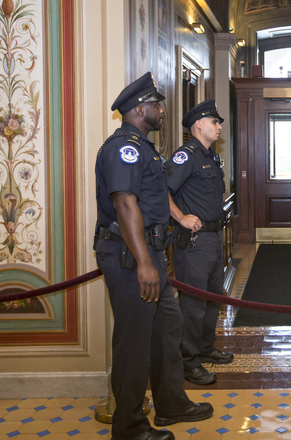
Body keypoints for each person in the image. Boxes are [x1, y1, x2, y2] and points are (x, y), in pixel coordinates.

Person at [94, 72, 214, 440]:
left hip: (150, 254)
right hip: (131, 257)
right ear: (139, 108)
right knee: (133, 344)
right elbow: (125, 203)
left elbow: (157, 195)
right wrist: (145, 262)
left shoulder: (144, 148)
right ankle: (129, 427)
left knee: (167, 330)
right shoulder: (123, 148)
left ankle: (171, 403)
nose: (162, 111)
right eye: (157, 105)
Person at [168, 99, 234, 385]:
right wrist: (181, 217)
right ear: (198, 125)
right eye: (214, 122)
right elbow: (162, 190)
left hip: (213, 236)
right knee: (193, 304)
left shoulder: (210, 156)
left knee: (212, 298)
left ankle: (205, 347)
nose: (219, 127)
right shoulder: (186, 156)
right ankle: (188, 361)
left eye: (218, 123)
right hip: (194, 242)